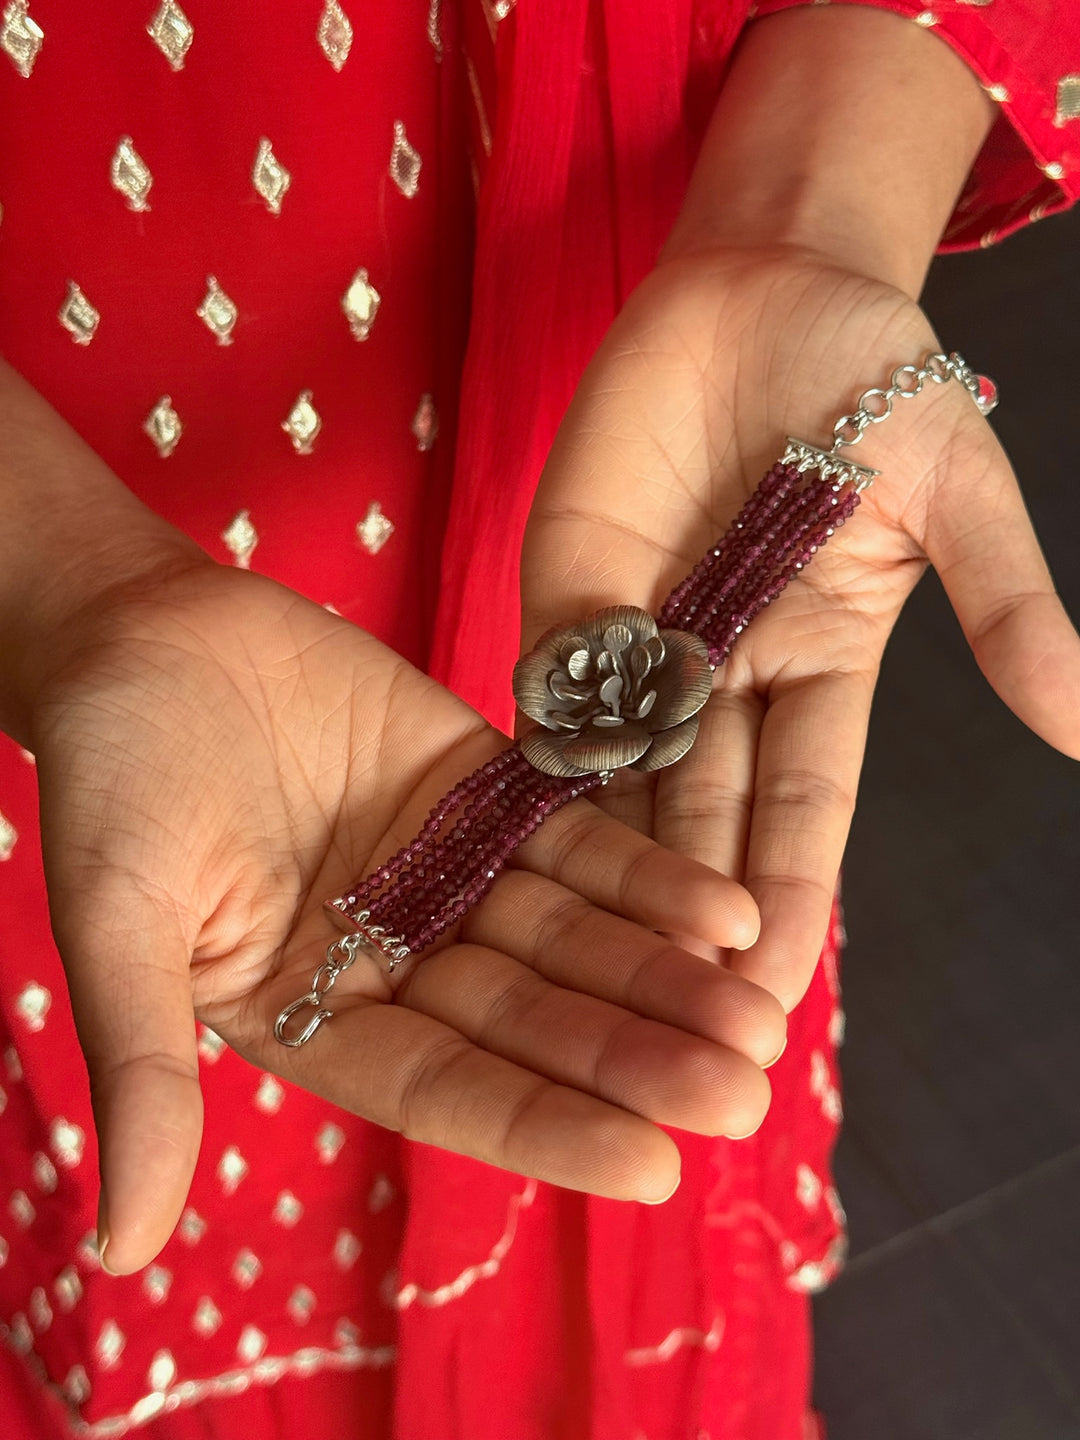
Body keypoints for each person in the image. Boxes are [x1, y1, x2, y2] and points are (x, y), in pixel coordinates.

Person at [0, 2, 1077, 1437]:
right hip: (86, 380)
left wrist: (813, 199)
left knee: (665, 979)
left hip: (635, 369)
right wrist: (61, 575)